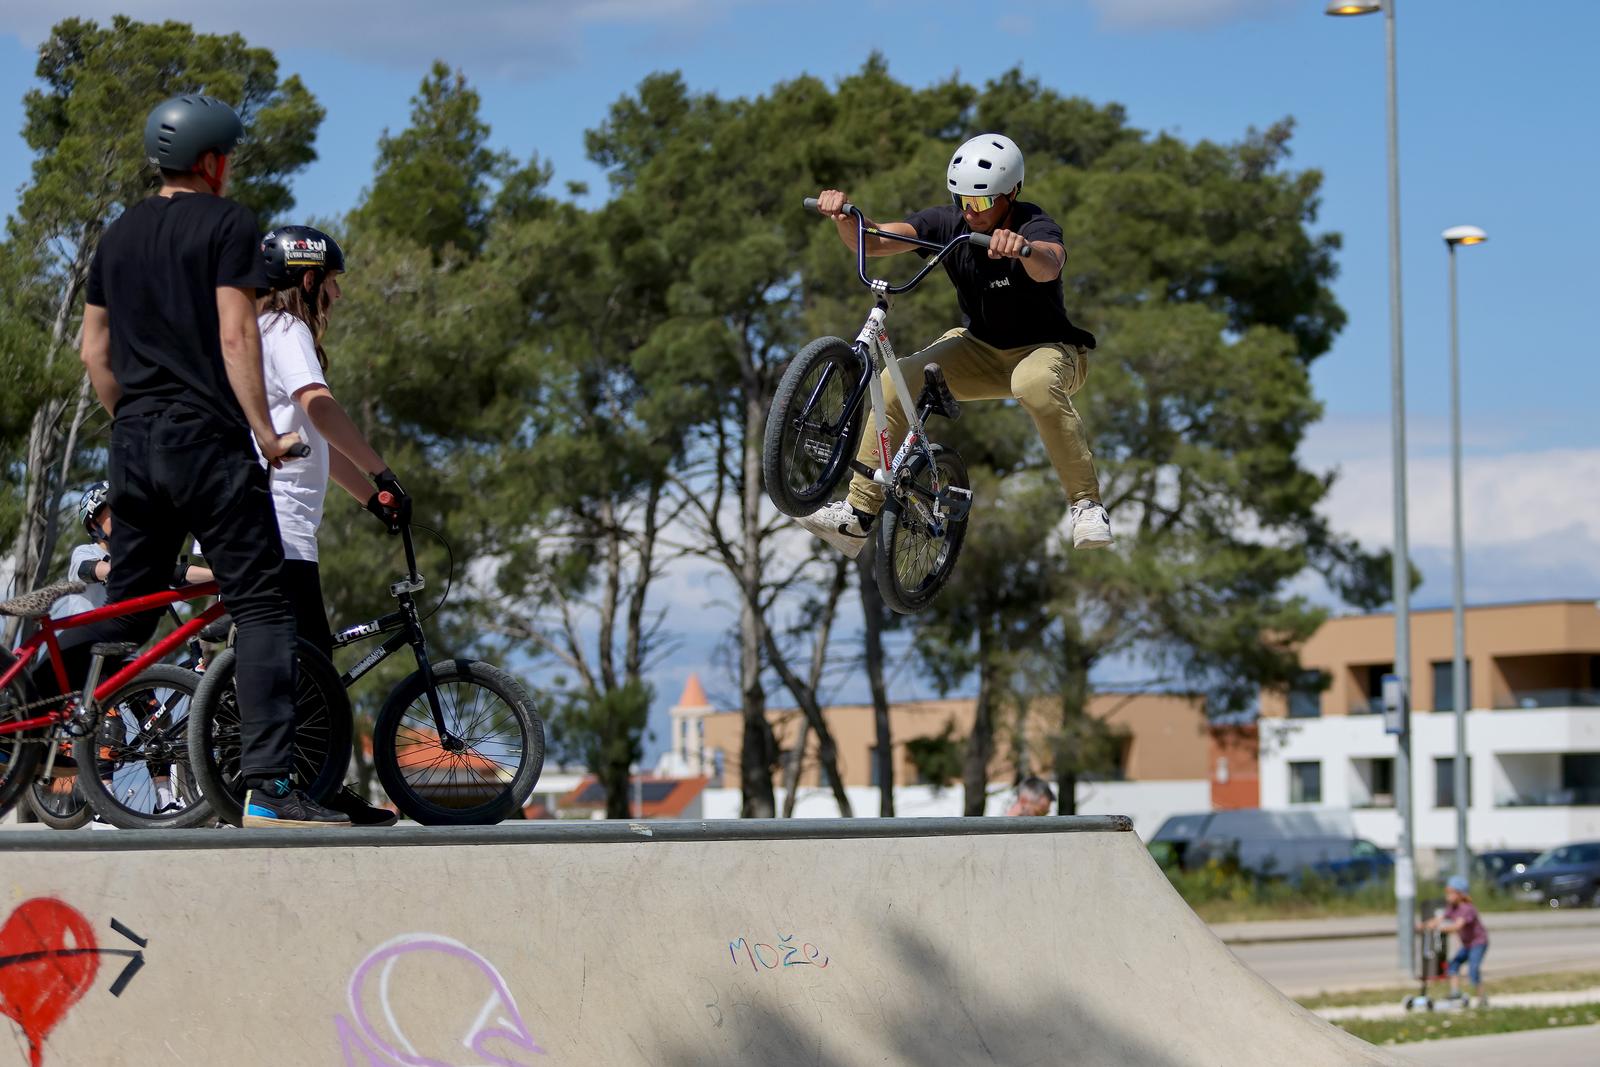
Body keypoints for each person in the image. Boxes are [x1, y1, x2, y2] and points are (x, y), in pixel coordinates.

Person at [73, 93, 348, 827]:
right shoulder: (229, 225)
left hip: (133, 444)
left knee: (130, 613)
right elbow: (237, 336)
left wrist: (133, 423)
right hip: (209, 445)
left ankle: (24, 687)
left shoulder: (119, 233)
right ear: (212, 161)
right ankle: (266, 782)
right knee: (263, 608)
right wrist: (264, 432)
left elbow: (93, 352)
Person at [801, 133, 1112, 557]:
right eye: (962, 199)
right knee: (894, 384)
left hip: (1050, 351)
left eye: (982, 203)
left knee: (1033, 384)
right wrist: (842, 216)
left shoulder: (1031, 223)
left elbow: (1049, 263)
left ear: (1011, 193)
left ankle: (1086, 504)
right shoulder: (948, 223)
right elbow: (873, 241)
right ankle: (857, 517)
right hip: (979, 350)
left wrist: (1022, 250)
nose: (970, 212)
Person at [256, 224, 409, 826]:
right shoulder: (287, 329)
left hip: (279, 529)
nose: (338, 298)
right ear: (309, 278)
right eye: (334, 283)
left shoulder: (263, 333)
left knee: (308, 665)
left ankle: (316, 784)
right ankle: (288, 789)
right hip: (277, 531)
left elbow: (317, 439)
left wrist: (371, 495)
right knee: (310, 671)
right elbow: (319, 406)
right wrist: (384, 470)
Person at [1420, 875, 1490, 1007]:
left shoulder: (1467, 908)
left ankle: (1482, 998)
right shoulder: (1452, 908)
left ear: (1460, 894)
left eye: (1451, 893)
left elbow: (1458, 925)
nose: (1448, 896)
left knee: (1473, 970)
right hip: (1467, 944)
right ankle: (1455, 992)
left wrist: (1442, 929)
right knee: (1453, 965)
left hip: (1478, 943)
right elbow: (1439, 919)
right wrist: (1423, 926)